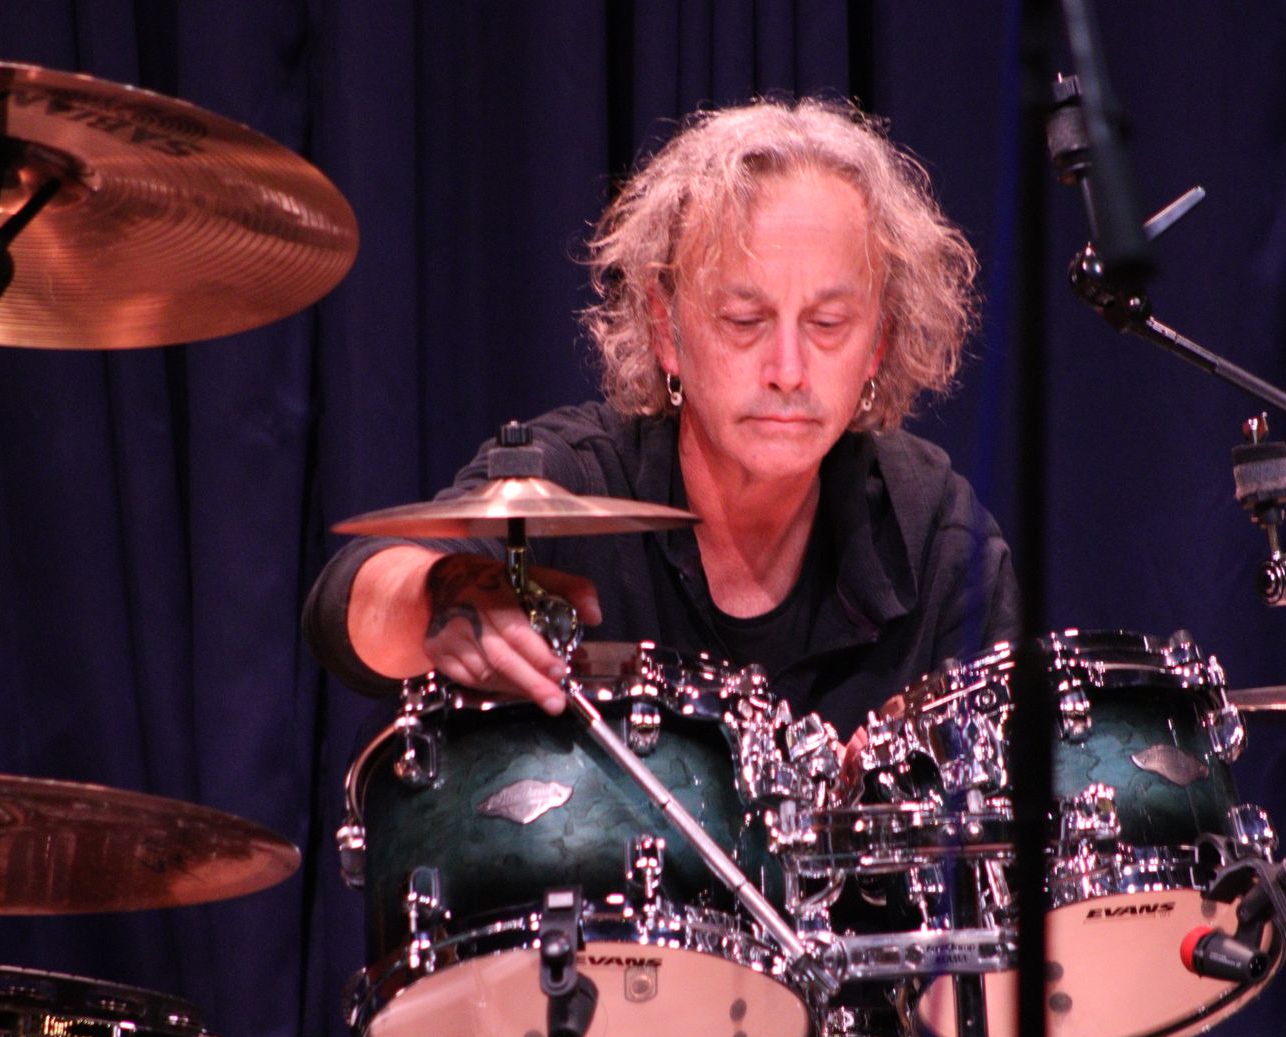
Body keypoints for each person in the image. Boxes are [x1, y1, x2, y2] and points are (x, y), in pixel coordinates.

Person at [304, 97, 1019, 737]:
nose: (789, 369)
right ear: (664, 328)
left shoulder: (937, 538)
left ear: (878, 344)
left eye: (828, 324)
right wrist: (439, 595)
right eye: (744, 320)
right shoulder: (572, 477)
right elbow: (347, 598)